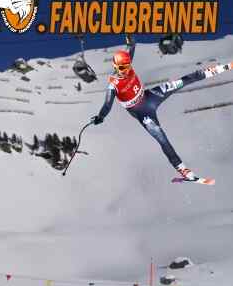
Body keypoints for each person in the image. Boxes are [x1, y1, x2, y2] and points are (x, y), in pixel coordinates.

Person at [91, 35, 227, 182]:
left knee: (182, 81)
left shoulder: (126, 64)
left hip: (150, 96)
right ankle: (183, 169)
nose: (126, 70)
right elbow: (107, 105)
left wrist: (130, 38)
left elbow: (132, 46)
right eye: (122, 68)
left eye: (128, 65)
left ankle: (220, 69)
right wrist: (101, 117)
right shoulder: (113, 85)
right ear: (116, 67)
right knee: (162, 139)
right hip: (143, 112)